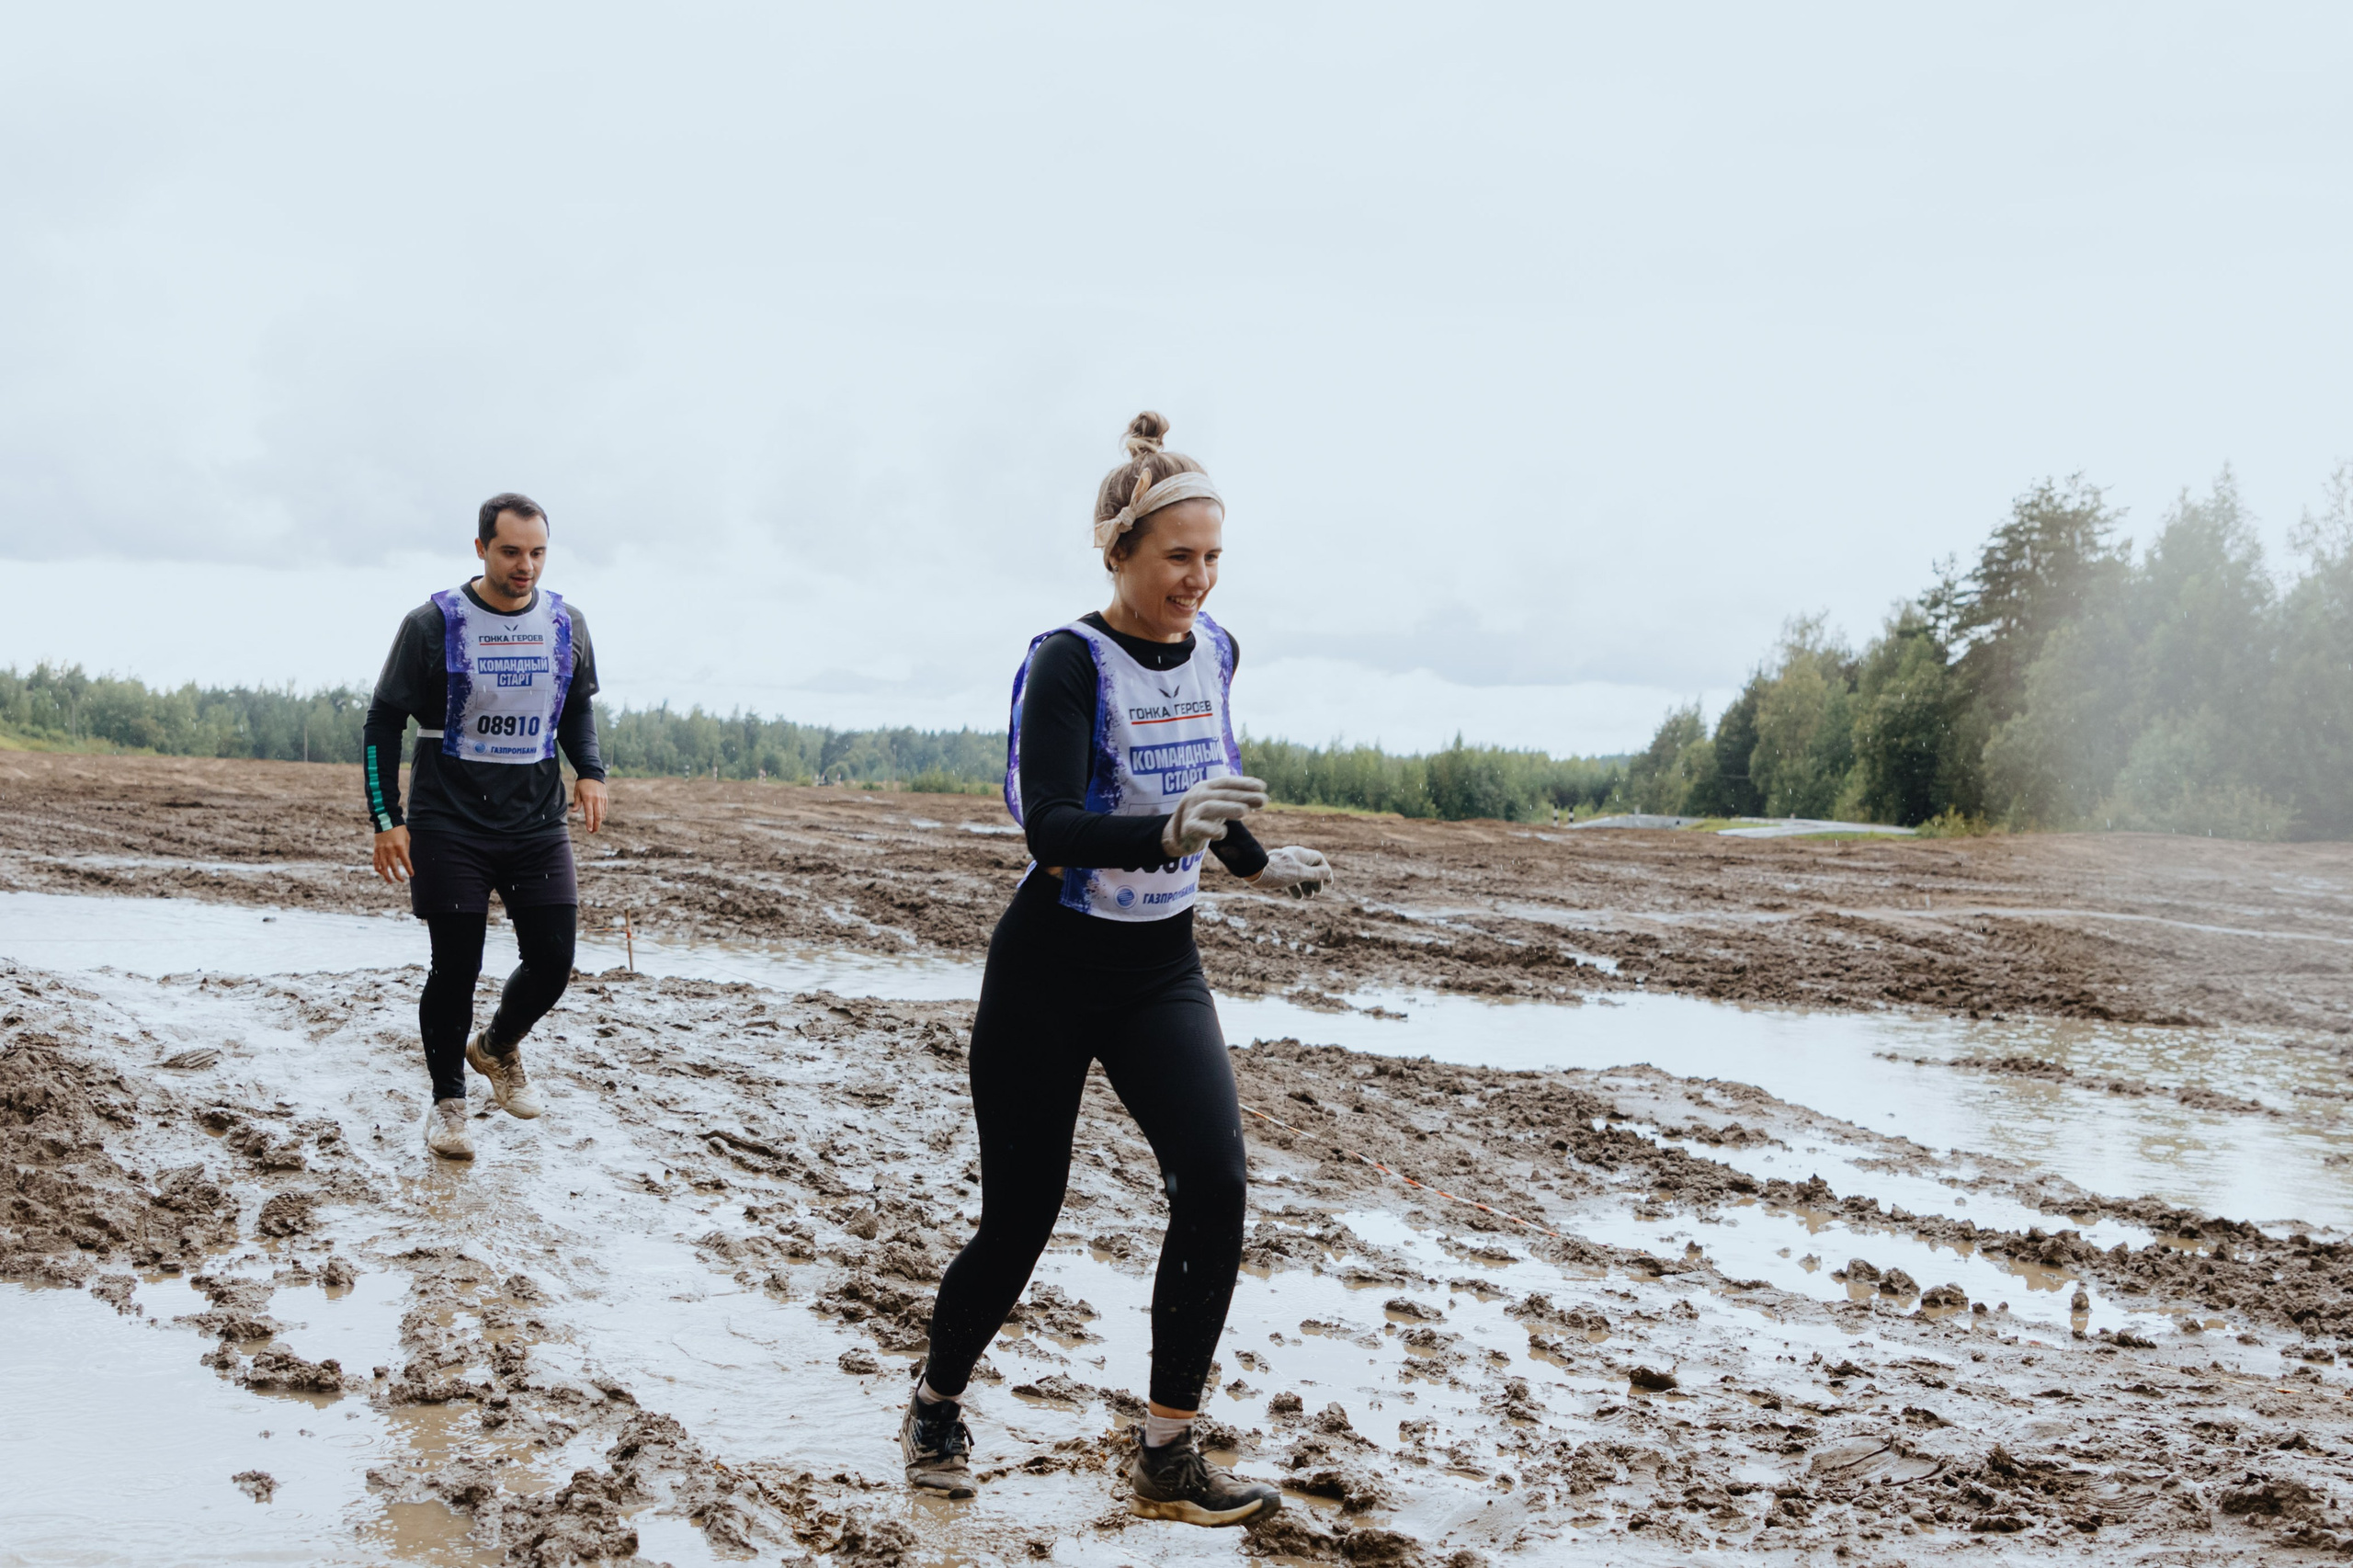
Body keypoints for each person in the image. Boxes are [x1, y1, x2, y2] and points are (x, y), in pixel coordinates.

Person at [902, 414, 1333, 1527]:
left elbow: (1210, 779)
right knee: (1022, 1216)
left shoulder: (1218, 649)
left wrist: (1254, 859)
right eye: (1177, 556)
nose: (1198, 578)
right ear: (1121, 553)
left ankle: (1167, 1447)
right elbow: (1046, 821)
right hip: (1049, 966)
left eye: (1212, 556)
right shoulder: (1067, 660)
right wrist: (1160, 832)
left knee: (1216, 1180)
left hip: (1159, 969)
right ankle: (937, 1401)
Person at [362, 493, 608, 1160]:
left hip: (534, 822)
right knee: (456, 968)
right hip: (450, 823)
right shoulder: (431, 624)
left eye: (537, 553)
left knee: (555, 960)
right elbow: (384, 720)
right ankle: (449, 1106)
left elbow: (575, 709)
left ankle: (495, 1048)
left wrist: (589, 769)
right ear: (480, 550)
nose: (525, 566)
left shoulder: (568, 624)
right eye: (510, 552)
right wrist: (387, 818)